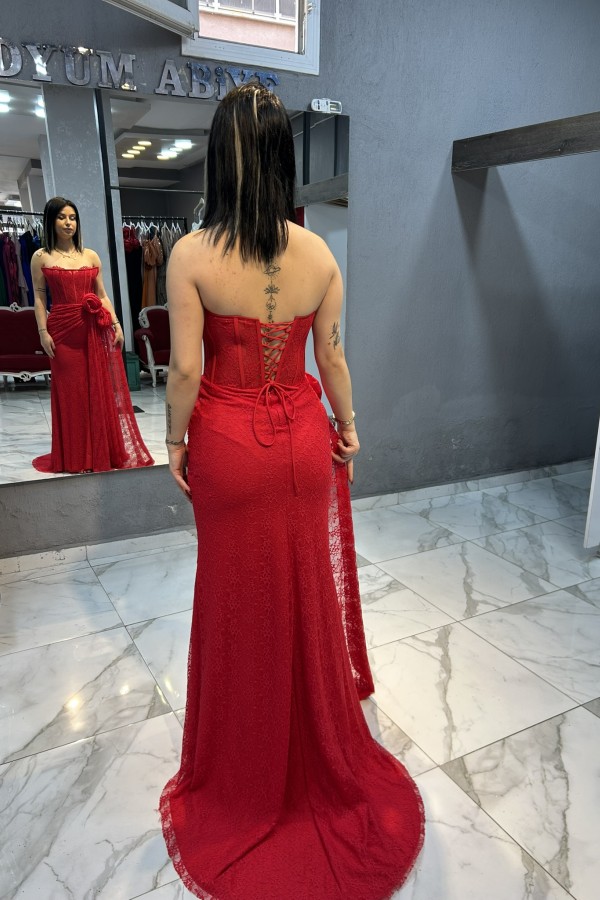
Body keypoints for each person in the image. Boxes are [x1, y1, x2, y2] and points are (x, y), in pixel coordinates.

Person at [160, 84, 424, 900]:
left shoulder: (191, 255)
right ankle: (312, 740)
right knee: (304, 592)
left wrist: (173, 441)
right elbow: (332, 358)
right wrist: (350, 427)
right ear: (285, 158)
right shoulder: (318, 257)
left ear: (218, 158)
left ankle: (245, 764)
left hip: (228, 449)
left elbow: (187, 370)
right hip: (305, 444)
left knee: (236, 598)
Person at [31, 197, 153, 473]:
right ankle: (76, 456)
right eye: (62, 217)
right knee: (71, 393)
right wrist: (42, 331)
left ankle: (99, 452)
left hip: (92, 330)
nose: (68, 223)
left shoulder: (91, 255)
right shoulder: (41, 257)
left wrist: (117, 324)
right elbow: (38, 298)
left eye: (72, 217)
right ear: (51, 220)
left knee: (96, 390)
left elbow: (102, 295)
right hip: (61, 332)